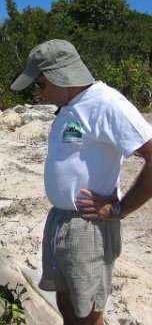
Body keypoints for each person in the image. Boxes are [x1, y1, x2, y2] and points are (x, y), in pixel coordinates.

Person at [10, 39, 152, 325]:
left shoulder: (106, 103)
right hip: (60, 220)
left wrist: (120, 210)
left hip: (87, 226)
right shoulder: (68, 106)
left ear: (58, 76)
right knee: (66, 302)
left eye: (40, 84)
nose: (39, 93)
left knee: (87, 313)